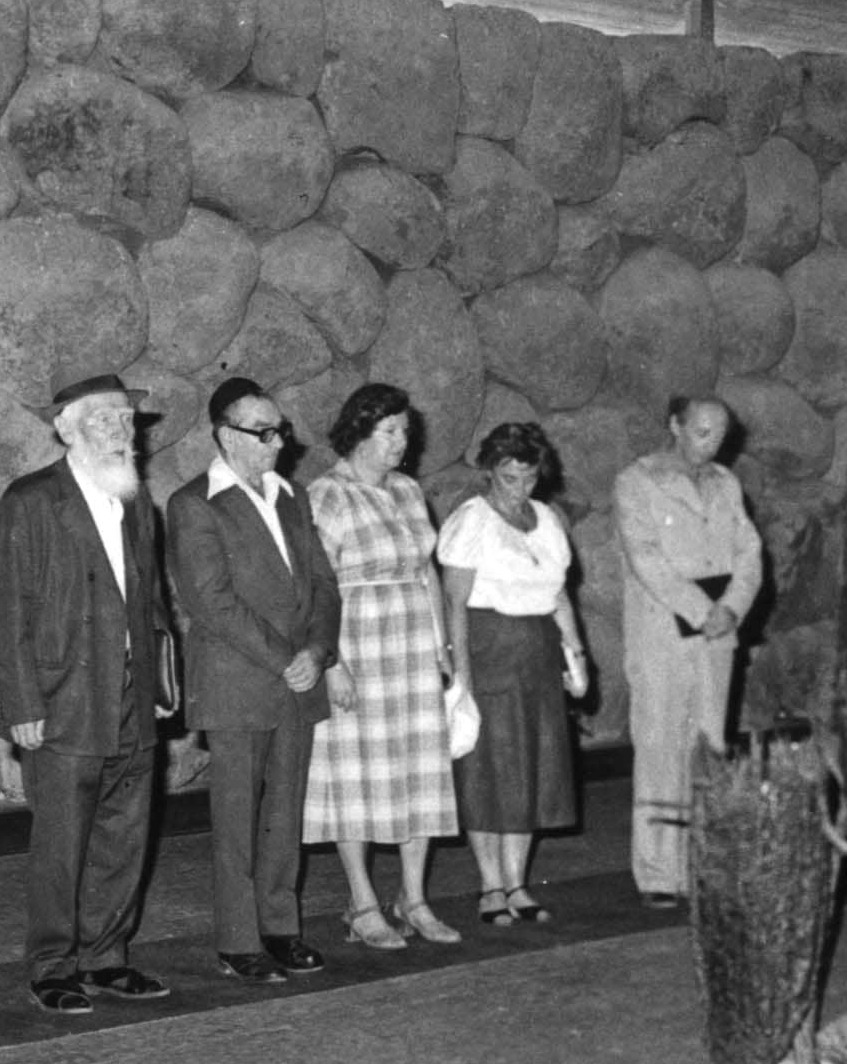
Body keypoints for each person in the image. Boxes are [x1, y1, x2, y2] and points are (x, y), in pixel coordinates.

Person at [0, 373, 179, 1014]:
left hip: (131, 696)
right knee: (62, 840)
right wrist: (22, 706)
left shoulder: (135, 501)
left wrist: (157, 682)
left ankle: (106, 956)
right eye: (106, 420)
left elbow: (151, 602)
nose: (123, 431)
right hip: (64, 697)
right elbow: (8, 610)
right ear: (67, 428)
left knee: (126, 831)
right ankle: (53, 965)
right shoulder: (32, 500)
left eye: (127, 419)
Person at [166, 377, 342, 982]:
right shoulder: (194, 505)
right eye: (262, 433)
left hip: (296, 680)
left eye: (280, 431)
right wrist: (284, 658)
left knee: (284, 813)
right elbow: (210, 600)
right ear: (225, 437)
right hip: (240, 683)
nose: (277, 442)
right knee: (238, 817)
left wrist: (317, 650)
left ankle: (281, 928)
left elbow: (322, 584)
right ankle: (239, 939)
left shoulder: (292, 495)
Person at [301, 382, 461, 948]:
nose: (401, 442)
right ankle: (362, 902)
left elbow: (428, 572)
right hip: (357, 646)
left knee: (418, 771)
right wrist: (331, 663)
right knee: (356, 775)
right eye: (390, 431)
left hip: (412, 648)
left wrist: (443, 648)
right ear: (360, 430)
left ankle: (413, 899)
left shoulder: (409, 491)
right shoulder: (327, 495)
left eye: (405, 432)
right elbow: (316, 587)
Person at [614, 396, 764, 908]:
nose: (711, 443)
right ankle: (659, 872)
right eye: (701, 432)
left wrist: (732, 608)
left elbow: (750, 552)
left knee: (709, 747)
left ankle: (702, 864)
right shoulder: (638, 481)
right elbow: (646, 559)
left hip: (719, 636)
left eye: (719, 434)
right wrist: (702, 610)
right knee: (660, 750)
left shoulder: (726, 484)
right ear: (674, 425)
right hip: (662, 637)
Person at [437, 422, 589, 924]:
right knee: (490, 769)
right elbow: (454, 602)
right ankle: (490, 884)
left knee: (533, 766)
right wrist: (460, 674)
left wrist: (577, 654)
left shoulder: (547, 519)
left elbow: (557, 594)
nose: (519, 487)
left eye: (527, 476)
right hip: (489, 653)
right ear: (489, 472)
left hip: (538, 657)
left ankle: (519, 882)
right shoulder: (471, 520)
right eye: (508, 477)